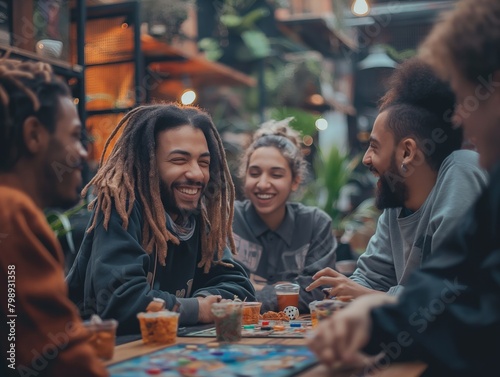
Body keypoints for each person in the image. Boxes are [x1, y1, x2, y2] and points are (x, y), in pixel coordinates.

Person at [308, 0, 500, 375]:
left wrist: (372, 306)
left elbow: (466, 307)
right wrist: (371, 315)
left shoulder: (463, 169)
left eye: (465, 98)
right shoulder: (401, 200)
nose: (460, 116)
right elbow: (440, 287)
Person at [306, 58, 488, 299]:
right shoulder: (397, 201)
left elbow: (452, 292)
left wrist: (364, 295)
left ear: (407, 152)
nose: (366, 159)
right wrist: (340, 293)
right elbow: (369, 278)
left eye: (374, 147)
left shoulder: (462, 170)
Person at [67, 103, 255, 335]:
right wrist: (196, 309)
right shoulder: (122, 210)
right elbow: (121, 302)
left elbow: (240, 286)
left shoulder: (198, 218)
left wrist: (207, 301)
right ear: (148, 165)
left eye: (203, 162)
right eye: (179, 160)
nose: (196, 173)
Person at [0, 59, 107, 376]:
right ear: (34, 135)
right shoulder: (11, 213)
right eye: (75, 136)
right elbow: (65, 358)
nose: (85, 153)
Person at [232, 118, 337, 313]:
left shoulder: (316, 224)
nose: (263, 184)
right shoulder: (227, 219)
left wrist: (256, 293)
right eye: (254, 173)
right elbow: (221, 291)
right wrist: (287, 290)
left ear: (295, 181)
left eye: (276, 174)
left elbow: (319, 292)